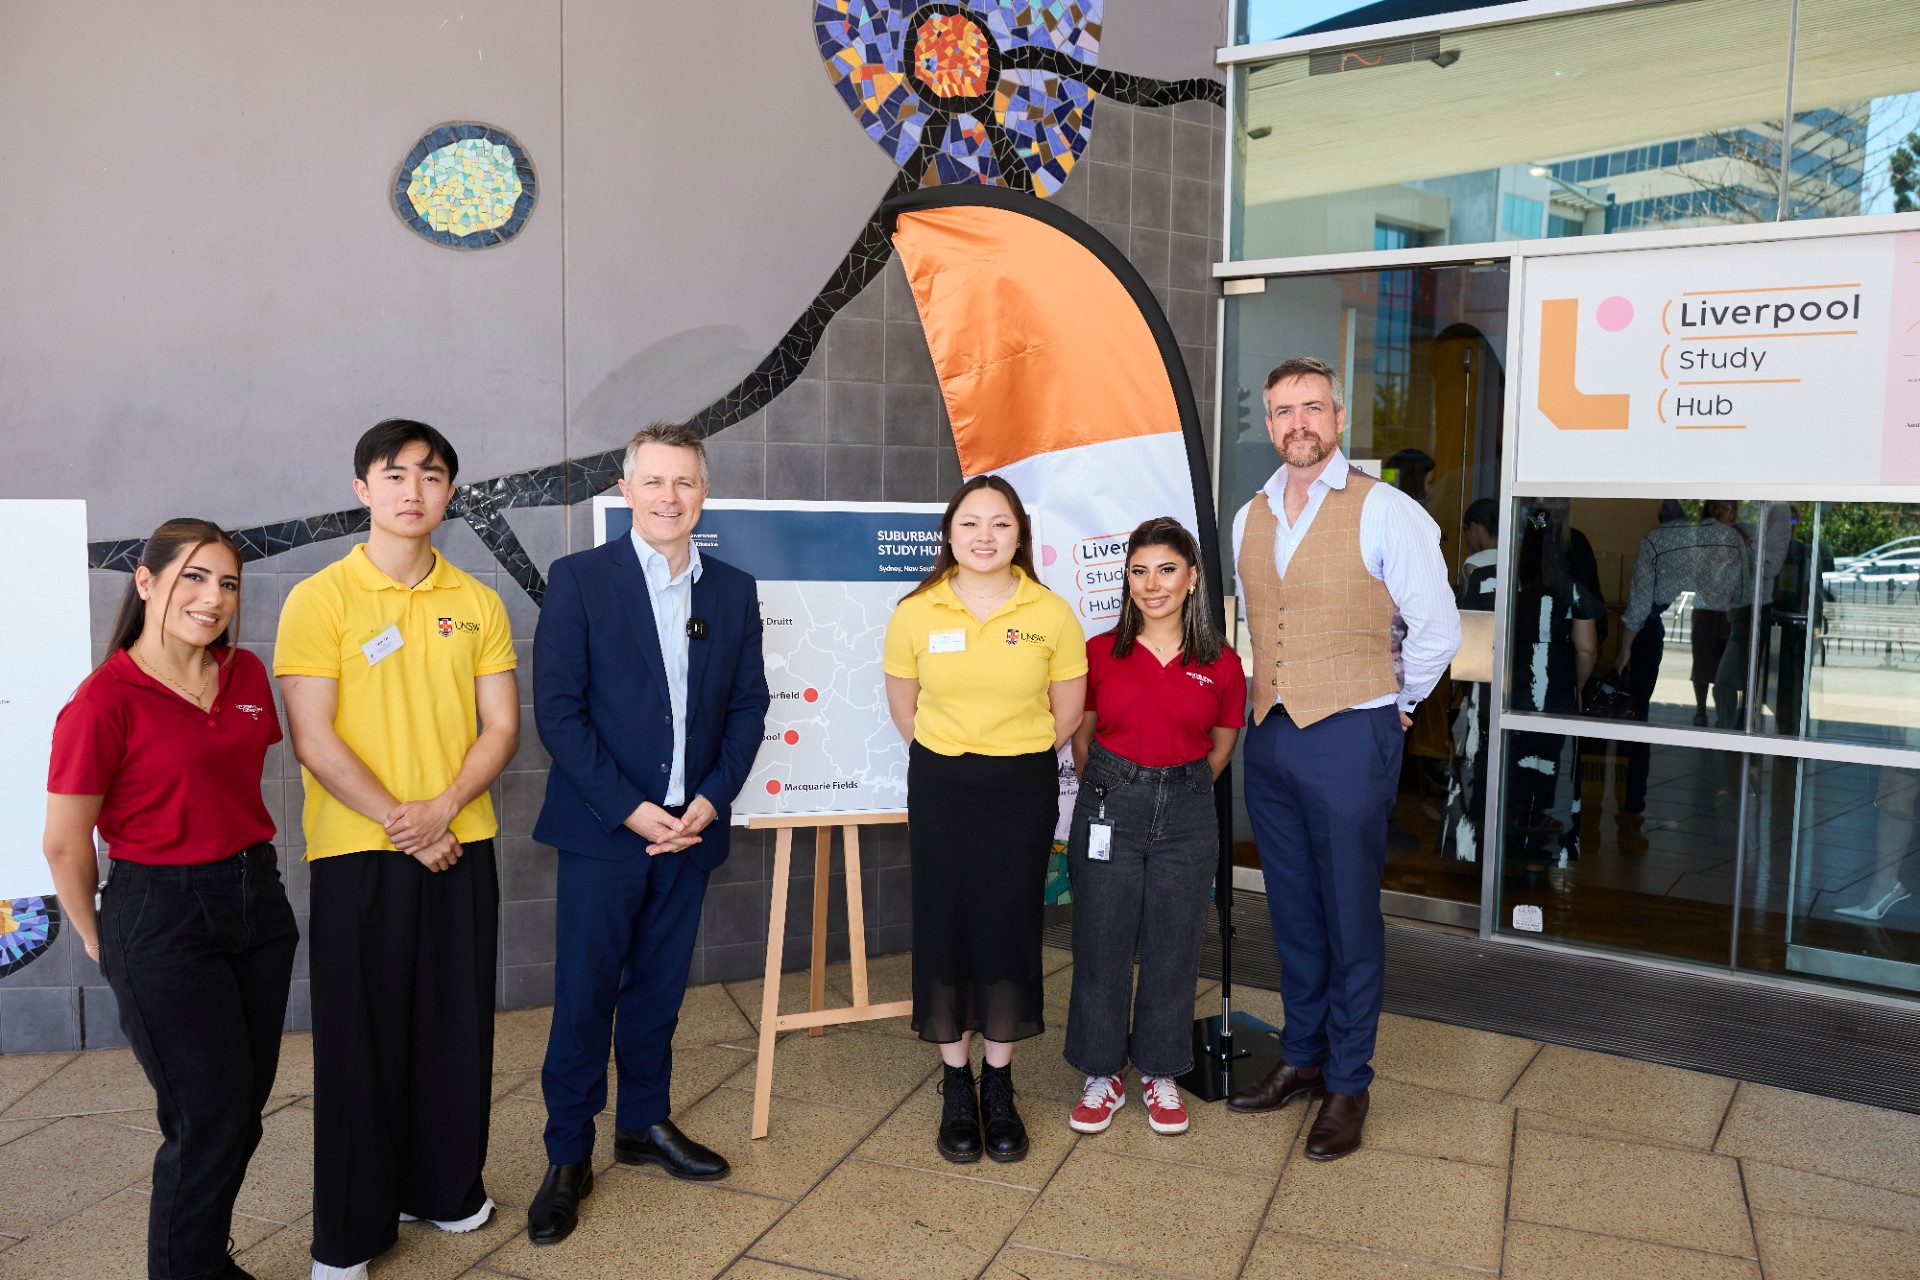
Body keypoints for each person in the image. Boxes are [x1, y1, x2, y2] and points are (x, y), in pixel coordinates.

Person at [275, 421, 520, 1280]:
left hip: (461, 842)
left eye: (433, 475)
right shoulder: (320, 598)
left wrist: (444, 808)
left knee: (455, 1027)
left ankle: (447, 1189)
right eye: (395, 474)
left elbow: (501, 727)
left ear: (451, 493)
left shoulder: (477, 600)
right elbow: (312, 736)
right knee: (357, 1041)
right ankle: (348, 1235)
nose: (413, 490)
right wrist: (401, 821)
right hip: (357, 850)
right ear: (362, 489)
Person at [526, 422, 769, 1245]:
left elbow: (747, 706)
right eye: (655, 482)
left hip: (693, 831)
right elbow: (557, 711)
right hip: (606, 831)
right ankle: (568, 1154)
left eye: (686, 483)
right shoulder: (579, 579)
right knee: (585, 997)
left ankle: (644, 1125)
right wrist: (632, 810)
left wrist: (709, 798)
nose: (671, 497)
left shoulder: (733, 590)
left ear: (705, 494)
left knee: (659, 994)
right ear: (624, 490)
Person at [44, 519, 299, 1280]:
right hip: (160, 914)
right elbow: (64, 844)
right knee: (208, 1119)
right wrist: (101, 937)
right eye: (192, 576)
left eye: (227, 583)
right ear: (147, 583)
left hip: (256, 903)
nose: (212, 597)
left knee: (236, 1116)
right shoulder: (102, 702)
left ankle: (201, 1260)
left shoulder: (246, 676)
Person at [1223, 356, 1459, 1161]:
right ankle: (1303, 1056)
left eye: (1312, 408)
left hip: (1353, 731)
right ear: (1269, 419)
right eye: (1283, 409)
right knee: (1292, 911)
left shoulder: (1385, 510)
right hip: (1274, 734)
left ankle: (1349, 1082)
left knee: (1350, 914)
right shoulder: (1248, 514)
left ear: (1339, 416)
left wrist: (1395, 709)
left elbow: (1436, 631)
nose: (1298, 423)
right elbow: (1260, 621)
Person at [883, 476, 1087, 1164]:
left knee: (1008, 923)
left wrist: (1010, 753)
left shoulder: (1051, 612)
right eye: (970, 523)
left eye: (999, 524)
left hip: (1020, 785)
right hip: (942, 782)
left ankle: (998, 1085)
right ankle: (954, 1085)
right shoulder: (917, 611)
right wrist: (954, 756)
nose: (984, 537)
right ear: (950, 534)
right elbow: (905, 708)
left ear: (1019, 535)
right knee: (943, 922)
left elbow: (1066, 713)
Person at [1063, 517, 1245, 1137]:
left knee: (1174, 945)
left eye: (1166, 569)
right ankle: (1101, 1072)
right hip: (1110, 801)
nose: (1152, 584)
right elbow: (1082, 741)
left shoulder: (1220, 662)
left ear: (1192, 577)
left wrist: (1175, 788)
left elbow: (1221, 745)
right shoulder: (1097, 652)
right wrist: (1119, 790)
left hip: (1190, 811)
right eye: (1139, 571)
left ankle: (1161, 1072)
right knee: (1100, 942)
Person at [1611, 500, 1747, 832]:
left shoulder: (1660, 540)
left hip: (1649, 627)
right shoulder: (1730, 542)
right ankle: (1634, 799)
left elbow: (1641, 603)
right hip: (1714, 623)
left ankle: (1632, 800)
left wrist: (1623, 648)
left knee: (1635, 715)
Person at [1505, 505, 1602, 864]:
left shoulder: (1504, 581)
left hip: (1513, 682)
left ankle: (1509, 831)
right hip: (1556, 682)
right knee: (1547, 760)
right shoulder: (1569, 588)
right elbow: (1588, 648)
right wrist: (1575, 684)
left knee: (1512, 758)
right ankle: (1540, 839)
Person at [1442, 499, 1498, 862]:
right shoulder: (1513, 557)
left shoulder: (1474, 565)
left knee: (1473, 744)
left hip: (1479, 663)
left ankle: (1473, 821)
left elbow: (1465, 615)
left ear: (1475, 529)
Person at [1688, 500, 1745, 725]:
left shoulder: (1738, 534)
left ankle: (1724, 714)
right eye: (1724, 507)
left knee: (1725, 664)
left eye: (1732, 508)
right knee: (1701, 660)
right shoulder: (1702, 535)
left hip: (1729, 607)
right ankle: (1701, 710)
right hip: (1705, 606)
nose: (1729, 512)